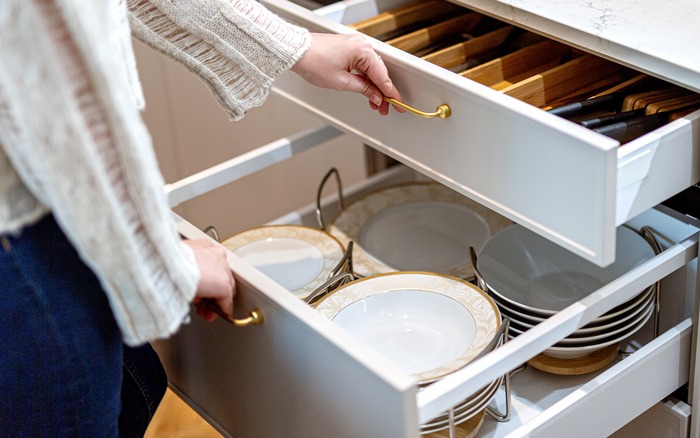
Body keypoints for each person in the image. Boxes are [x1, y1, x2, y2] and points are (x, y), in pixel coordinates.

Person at [0, 0, 403, 436]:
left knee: (135, 390)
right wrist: (168, 262)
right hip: (20, 242)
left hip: (38, 223)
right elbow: (60, 97)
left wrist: (296, 48)